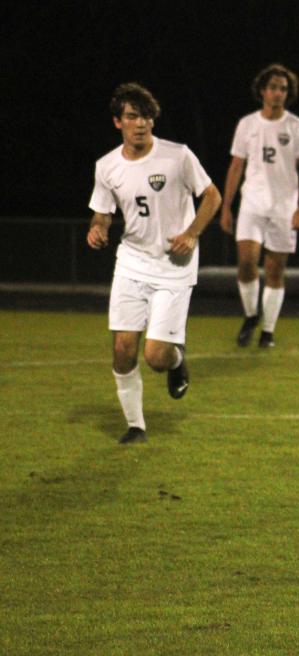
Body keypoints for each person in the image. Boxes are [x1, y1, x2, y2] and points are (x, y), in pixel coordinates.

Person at [87, 83, 221, 444]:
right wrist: (97, 229)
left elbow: (212, 195)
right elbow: (102, 214)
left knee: (156, 357)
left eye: (146, 116)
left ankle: (177, 361)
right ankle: (136, 426)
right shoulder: (107, 166)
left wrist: (192, 232)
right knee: (122, 349)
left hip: (174, 267)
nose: (141, 123)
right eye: (132, 116)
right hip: (131, 263)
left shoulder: (178, 156)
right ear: (118, 122)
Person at [219, 64, 299, 348]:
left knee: (275, 271)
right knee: (247, 261)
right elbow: (236, 166)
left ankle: (268, 331)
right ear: (262, 90)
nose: (277, 93)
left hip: (284, 208)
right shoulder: (247, 124)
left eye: (283, 89)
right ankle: (251, 316)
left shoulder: (296, 126)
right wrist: (226, 207)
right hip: (252, 204)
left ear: (288, 94)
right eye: (273, 87)